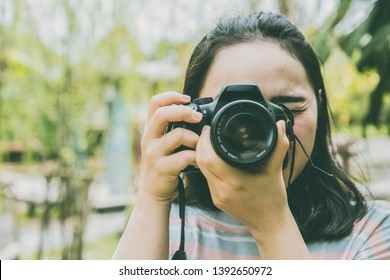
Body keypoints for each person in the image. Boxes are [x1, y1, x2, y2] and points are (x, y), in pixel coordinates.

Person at [113, 11, 390, 260]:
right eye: (233, 111)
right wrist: (152, 198)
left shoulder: (373, 231)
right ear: (192, 116)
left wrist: (271, 223)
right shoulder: (167, 226)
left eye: (286, 109)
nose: (260, 130)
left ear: (319, 105)